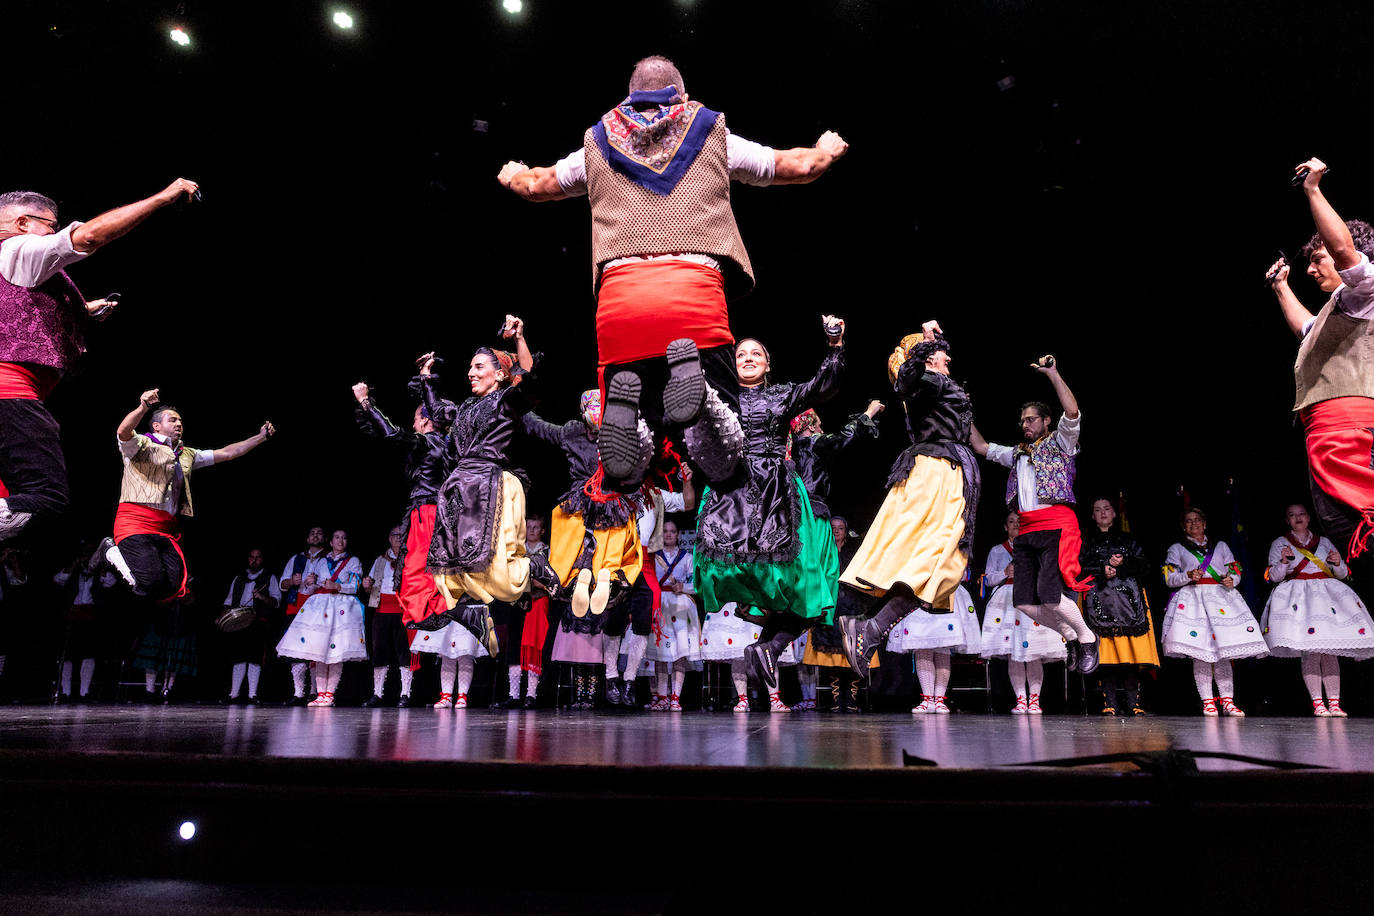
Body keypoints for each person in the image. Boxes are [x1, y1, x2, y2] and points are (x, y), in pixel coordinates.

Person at [495, 55, 849, 488]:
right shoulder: (713, 133)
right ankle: (704, 405)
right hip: (693, 301)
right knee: (725, 466)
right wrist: (825, 152)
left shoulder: (595, 144)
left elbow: (538, 185)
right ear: (681, 94)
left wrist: (514, 175)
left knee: (625, 475)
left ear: (630, 96)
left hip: (621, 307)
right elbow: (798, 167)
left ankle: (634, 426)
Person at [0, 178, 200, 541]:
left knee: (11, 500)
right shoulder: (19, 248)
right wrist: (162, 197)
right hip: (10, 395)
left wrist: (80, 309)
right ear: (22, 223)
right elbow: (90, 236)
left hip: (16, 397)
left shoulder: (14, 267)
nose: (54, 232)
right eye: (51, 224)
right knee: (45, 498)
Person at [693, 320, 845, 710]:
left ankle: (769, 646)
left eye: (755, 353)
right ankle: (759, 625)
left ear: (768, 363)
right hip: (733, 489)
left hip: (776, 493)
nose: (747, 358)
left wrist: (834, 344)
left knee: (810, 587)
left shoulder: (781, 395)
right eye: (741, 354)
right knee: (730, 569)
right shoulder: (719, 396)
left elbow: (821, 386)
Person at [840, 321, 981, 682]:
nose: (948, 357)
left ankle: (869, 630)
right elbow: (905, 381)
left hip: (945, 474)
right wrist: (927, 343)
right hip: (934, 475)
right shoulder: (925, 381)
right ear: (928, 357)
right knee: (937, 566)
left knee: (935, 571)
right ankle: (870, 629)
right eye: (942, 353)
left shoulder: (936, 382)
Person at [418, 318, 565, 640]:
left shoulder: (505, 401)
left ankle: (536, 567)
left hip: (488, 485)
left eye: (479, 366)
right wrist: (427, 377)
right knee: (447, 572)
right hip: (459, 490)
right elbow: (437, 413)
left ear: (499, 374)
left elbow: (528, 380)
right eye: (470, 367)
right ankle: (464, 611)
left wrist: (520, 340)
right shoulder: (466, 407)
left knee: (500, 575)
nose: (471, 372)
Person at [1266, 158, 1374, 573]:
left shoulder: (1365, 287)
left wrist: (1312, 189)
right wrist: (1280, 287)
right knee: (1347, 533)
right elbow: (1306, 329)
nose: (1311, 269)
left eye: (1318, 259)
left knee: (1362, 528)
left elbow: (1345, 251)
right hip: (1324, 434)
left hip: (1351, 434)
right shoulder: (1340, 306)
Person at [971, 356, 1099, 674]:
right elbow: (982, 446)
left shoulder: (1061, 442)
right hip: (1028, 530)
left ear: (1045, 421)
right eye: (1023, 420)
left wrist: (1053, 373)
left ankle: (1086, 637)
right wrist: (963, 411)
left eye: (1031, 419)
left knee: (1051, 596)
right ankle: (1070, 635)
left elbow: (1072, 411)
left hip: (1056, 524)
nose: (1025, 424)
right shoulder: (1017, 454)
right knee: (1025, 602)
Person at [105, 389, 274, 603]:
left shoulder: (187, 454)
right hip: (135, 522)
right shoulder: (140, 445)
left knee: (175, 584)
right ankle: (111, 552)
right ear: (156, 425)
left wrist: (259, 438)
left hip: (165, 527)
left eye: (180, 421)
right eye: (172, 420)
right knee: (149, 582)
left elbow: (228, 453)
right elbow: (123, 431)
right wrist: (143, 407)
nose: (178, 424)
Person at [352, 365, 454, 632]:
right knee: (427, 571)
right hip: (439, 512)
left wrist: (366, 403)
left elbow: (392, 434)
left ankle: (443, 613)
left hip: (428, 512)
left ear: (424, 420)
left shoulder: (428, 442)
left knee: (416, 571)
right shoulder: (447, 445)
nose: (412, 424)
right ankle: (441, 611)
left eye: (415, 419)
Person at [1262, 504, 1374, 716]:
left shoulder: (1323, 542)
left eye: (1302, 514)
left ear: (1309, 518)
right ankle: (1318, 704)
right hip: (1299, 601)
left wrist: (1338, 563)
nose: (1298, 518)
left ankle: (1334, 703)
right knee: (1311, 652)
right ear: (1287, 520)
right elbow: (1274, 577)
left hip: (1326, 599)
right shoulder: (1280, 543)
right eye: (1292, 515)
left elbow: (1341, 573)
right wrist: (1284, 562)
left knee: (1330, 652)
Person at [1160, 509, 1268, 716]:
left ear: (1205, 523)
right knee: (1201, 652)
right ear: (1184, 526)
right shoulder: (1177, 548)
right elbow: (1169, 578)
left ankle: (1228, 701)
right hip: (1193, 601)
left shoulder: (1220, 546)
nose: (1194, 524)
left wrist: (1232, 580)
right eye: (1189, 521)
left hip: (1221, 600)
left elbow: (1235, 569)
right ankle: (1208, 701)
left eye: (1198, 520)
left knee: (1223, 653)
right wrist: (1188, 575)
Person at [980, 511, 1067, 714]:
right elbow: (988, 579)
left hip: (1029, 597)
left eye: (1019, 522)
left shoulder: (1034, 546)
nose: (1015, 525)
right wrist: (1004, 573)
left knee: (1033, 652)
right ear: (1005, 526)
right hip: (1005, 602)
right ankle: (1021, 699)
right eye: (1011, 522)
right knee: (1014, 653)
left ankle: (1034, 700)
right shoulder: (997, 551)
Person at [1079, 498, 1159, 716]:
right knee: (1106, 654)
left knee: (1130, 652)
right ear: (1092, 516)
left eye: (1107, 508)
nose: (1102, 513)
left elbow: (1145, 566)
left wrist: (1122, 564)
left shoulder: (1128, 539)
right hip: (1098, 601)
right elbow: (1078, 567)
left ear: (1114, 513)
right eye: (1097, 510)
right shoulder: (1086, 539)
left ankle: (1134, 702)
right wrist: (1102, 569)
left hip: (1128, 603)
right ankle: (1110, 702)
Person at [275, 530, 368, 708]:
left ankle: (330, 694)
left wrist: (337, 585)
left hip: (340, 608)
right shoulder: (322, 561)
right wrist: (311, 583)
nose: (341, 540)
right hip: (321, 608)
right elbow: (313, 587)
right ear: (331, 542)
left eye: (344, 537)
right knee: (318, 652)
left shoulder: (353, 561)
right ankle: (320, 693)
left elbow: (356, 587)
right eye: (337, 537)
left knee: (335, 653)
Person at [886, 581, 982, 714]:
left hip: (945, 592)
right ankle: (928, 700)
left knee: (943, 647)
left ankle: (939, 700)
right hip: (921, 592)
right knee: (922, 645)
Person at [361, 527, 416, 708]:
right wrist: (366, 584)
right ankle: (377, 693)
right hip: (381, 611)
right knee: (379, 652)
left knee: (404, 652)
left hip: (404, 612)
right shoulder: (379, 560)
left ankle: (405, 693)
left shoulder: (411, 558)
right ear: (389, 538)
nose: (398, 538)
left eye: (401, 535)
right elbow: (369, 587)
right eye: (394, 535)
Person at [219, 547, 281, 705]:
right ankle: (234, 694)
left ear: (262, 559)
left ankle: (252, 694)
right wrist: (222, 617)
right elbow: (229, 600)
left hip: (258, 621)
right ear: (248, 559)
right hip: (239, 623)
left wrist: (262, 597)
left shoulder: (269, 577)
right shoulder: (239, 578)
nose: (254, 560)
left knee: (254, 657)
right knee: (238, 657)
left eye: (258, 557)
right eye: (252, 557)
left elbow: (276, 602)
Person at [278, 526, 328, 705]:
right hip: (296, 607)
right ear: (307, 539)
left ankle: (315, 692)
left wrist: (318, 582)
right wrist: (292, 581)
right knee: (295, 651)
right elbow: (282, 585)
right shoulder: (296, 558)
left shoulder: (328, 559)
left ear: (325, 538)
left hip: (317, 608)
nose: (315, 535)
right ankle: (299, 693)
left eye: (319, 532)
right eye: (312, 533)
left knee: (315, 651)